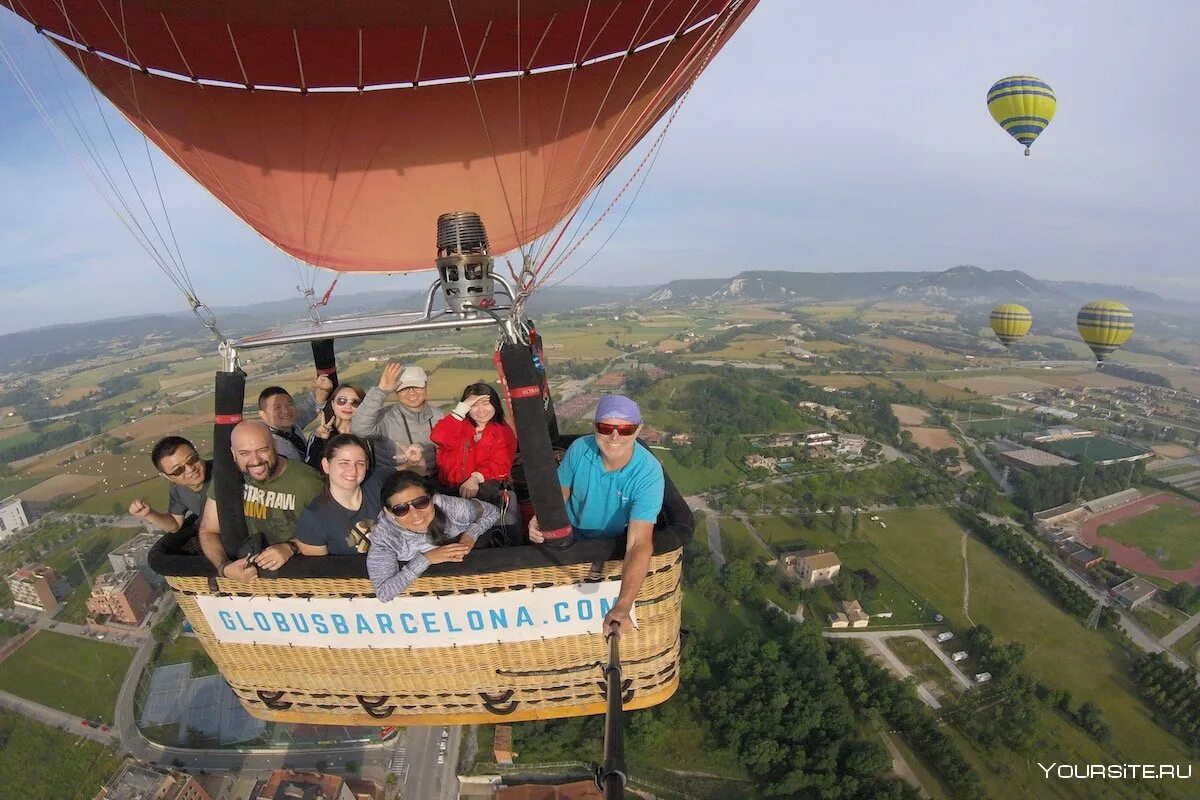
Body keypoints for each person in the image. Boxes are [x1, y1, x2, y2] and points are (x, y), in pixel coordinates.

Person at [528, 395, 664, 634]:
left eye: (625, 429)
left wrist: (622, 607)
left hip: (608, 545)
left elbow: (638, 544)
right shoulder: (580, 450)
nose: (614, 436)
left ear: (638, 429)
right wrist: (542, 517)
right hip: (567, 536)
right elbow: (561, 491)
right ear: (595, 427)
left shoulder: (648, 475)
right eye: (606, 427)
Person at [197, 420, 324, 581]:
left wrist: (292, 547)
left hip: (298, 573)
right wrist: (224, 567)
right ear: (233, 454)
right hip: (252, 577)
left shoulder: (307, 481)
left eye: (262, 450)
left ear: (275, 446)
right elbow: (208, 530)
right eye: (245, 453)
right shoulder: (227, 481)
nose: (255, 460)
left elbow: (332, 529)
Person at [367, 471, 498, 602]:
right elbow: (384, 593)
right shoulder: (385, 537)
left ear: (432, 498)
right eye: (400, 509)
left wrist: (470, 535)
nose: (415, 515)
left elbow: (492, 512)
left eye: (421, 502)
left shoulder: (450, 507)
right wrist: (427, 558)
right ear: (388, 513)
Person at [295, 433, 392, 555]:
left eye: (360, 463)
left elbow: (412, 476)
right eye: (344, 463)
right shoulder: (313, 518)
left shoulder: (379, 483)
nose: (353, 470)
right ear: (326, 465)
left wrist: (415, 461)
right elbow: (318, 570)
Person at [430, 382, 518, 503]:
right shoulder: (456, 426)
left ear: (495, 405)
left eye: (486, 403)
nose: (481, 410)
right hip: (449, 491)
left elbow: (501, 463)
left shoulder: (503, 432)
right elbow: (438, 437)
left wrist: (476, 477)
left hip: (484, 494)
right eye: (474, 405)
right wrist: (461, 409)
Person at [352, 363, 445, 475]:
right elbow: (359, 429)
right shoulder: (385, 417)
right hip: (396, 483)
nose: (412, 392)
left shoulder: (439, 415)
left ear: (425, 385)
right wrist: (381, 391)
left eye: (417, 386)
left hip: (434, 482)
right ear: (396, 391)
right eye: (404, 388)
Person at [128, 436, 211, 532]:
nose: (190, 469)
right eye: (178, 470)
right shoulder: (178, 489)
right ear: (167, 476)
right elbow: (175, 524)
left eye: (192, 459)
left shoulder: (224, 472)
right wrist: (148, 514)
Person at [258, 375, 334, 462]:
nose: (286, 411)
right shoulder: (270, 445)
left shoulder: (292, 424)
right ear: (263, 415)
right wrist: (316, 438)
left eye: (289, 404)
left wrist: (325, 390)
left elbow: (310, 406)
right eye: (277, 407)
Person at [305, 383, 368, 470]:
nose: (348, 406)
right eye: (341, 400)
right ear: (333, 404)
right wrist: (319, 440)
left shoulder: (367, 433)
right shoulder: (319, 434)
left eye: (355, 402)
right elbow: (310, 468)